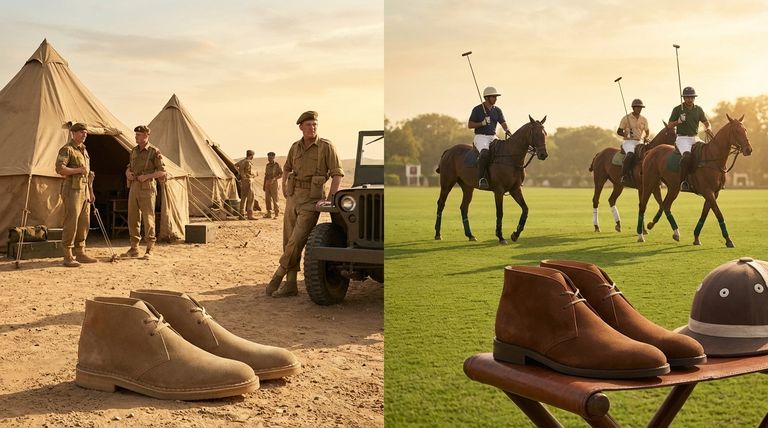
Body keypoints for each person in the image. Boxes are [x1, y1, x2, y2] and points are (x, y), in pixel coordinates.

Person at [265, 111, 344, 298]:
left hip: (312, 199)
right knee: (288, 240)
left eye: (315, 124)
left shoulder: (326, 147)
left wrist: (331, 198)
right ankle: (290, 285)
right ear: (301, 127)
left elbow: (337, 174)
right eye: (308, 124)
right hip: (293, 197)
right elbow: (286, 168)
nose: (312, 127)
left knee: (296, 240)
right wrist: (284, 185)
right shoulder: (295, 147)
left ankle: (279, 273)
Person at [55, 122, 97, 267]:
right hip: (72, 191)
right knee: (71, 223)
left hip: (84, 191)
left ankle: (80, 252)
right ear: (73, 133)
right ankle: (68, 255)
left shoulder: (84, 151)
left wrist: (91, 191)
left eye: (85, 133)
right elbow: (60, 169)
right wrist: (78, 170)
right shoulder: (67, 149)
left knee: (84, 223)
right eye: (81, 132)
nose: (84, 135)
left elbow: (86, 173)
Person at [122, 125, 166, 259]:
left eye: (139, 135)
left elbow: (162, 171)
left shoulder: (154, 152)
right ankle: (134, 247)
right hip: (134, 186)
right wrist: (127, 173)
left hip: (147, 187)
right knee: (133, 218)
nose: (136, 137)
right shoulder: (134, 151)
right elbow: (129, 166)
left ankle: (149, 249)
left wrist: (147, 176)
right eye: (136, 135)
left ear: (147, 135)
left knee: (148, 218)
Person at [667, 86, 714, 190]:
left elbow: (706, 122)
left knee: (708, 151)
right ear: (684, 98)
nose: (690, 99)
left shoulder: (698, 109)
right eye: (687, 97)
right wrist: (678, 121)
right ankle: (683, 182)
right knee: (687, 156)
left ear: (694, 98)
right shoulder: (677, 109)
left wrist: (708, 128)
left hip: (695, 137)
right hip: (682, 138)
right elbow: (669, 125)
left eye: (692, 97)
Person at [467, 86, 513, 189]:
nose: (496, 99)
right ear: (487, 98)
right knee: (484, 153)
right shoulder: (477, 109)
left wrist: (507, 130)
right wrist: (482, 123)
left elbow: (503, 122)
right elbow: (470, 125)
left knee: (502, 151)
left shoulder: (497, 110)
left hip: (493, 136)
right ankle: (481, 178)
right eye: (493, 97)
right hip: (481, 137)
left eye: (496, 97)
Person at [616, 98, 649, 183]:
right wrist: (626, 134)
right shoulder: (626, 118)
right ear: (633, 108)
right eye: (637, 107)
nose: (639, 109)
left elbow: (647, 131)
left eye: (640, 108)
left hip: (639, 142)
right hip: (629, 142)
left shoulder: (644, 119)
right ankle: (624, 175)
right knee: (630, 154)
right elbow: (619, 131)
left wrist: (646, 137)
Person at [238, 150, 257, 220]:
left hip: (243, 182)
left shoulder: (242, 161)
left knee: (243, 199)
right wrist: (245, 176)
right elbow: (249, 172)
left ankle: (241, 214)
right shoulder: (248, 162)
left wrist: (241, 176)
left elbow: (235, 166)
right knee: (251, 198)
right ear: (251, 155)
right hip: (249, 181)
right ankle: (250, 215)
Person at [263, 151, 283, 218]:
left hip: (274, 183)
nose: (269, 158)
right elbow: (265, 175)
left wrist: (274, 178)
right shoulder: (267, 165)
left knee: (275, 199)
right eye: (268, 157)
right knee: (267, 199)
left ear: (274, 157)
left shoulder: (277, 165)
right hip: (267, 183)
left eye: (271, 157)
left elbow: (281, 174)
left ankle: (276, 213)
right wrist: (264, 185)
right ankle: (269, 213)